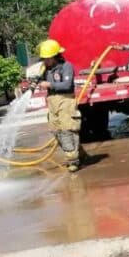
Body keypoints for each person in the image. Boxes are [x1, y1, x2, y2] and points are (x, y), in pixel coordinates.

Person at [36, 39, 82, 172]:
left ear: (55, 56)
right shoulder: (45, 68)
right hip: (52, 102)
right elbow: (39, 80)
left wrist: (50, 85)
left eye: (47, 58)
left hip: (65, 101)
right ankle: (76, 154)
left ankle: (72, 160)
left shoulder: (66, 66)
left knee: (67, 129)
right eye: (44, 58)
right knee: (56, 130)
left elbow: (67, 85)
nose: (45, 61)